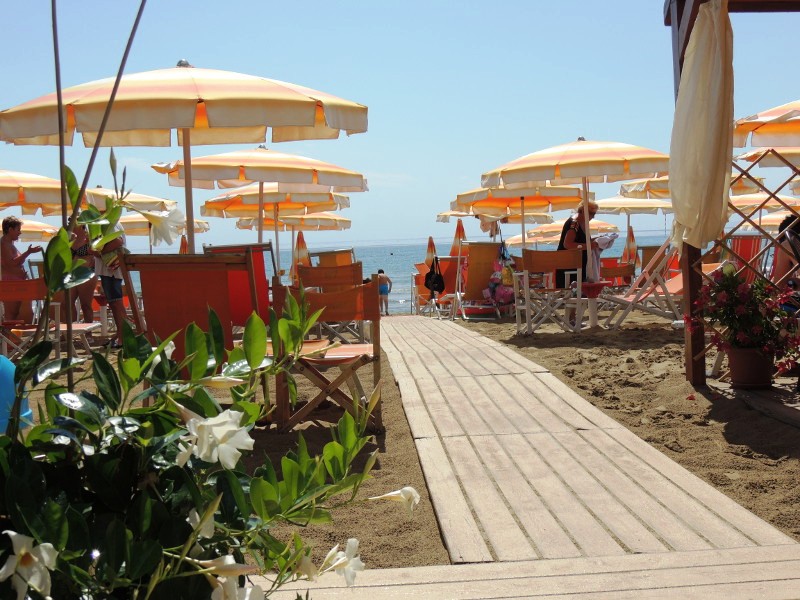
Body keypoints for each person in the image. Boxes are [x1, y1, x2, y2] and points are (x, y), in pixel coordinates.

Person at [0, 216, 42, 322]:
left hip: (16, 281)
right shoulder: (4, 244)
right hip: (10, 282)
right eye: (18, 230)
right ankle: (8, 333)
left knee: (15, 313)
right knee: (11, 313)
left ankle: (11, 333)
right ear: (10, 229)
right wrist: (28, 252)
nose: (20, 232)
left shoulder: (10, 243)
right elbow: (11, 263)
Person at [93, 223, 127, 348]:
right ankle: (120, 334)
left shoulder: (108, 222)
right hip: (108, 268)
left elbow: (118, 241)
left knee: (116, 303)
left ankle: (123, 337)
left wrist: (100, 251)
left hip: (111, 268)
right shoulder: (107, 222)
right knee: (114, 303)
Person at [556, 199, 600, 288]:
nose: (593, 217)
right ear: (583, 211)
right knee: (575, 293)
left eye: (594, 214)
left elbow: (581, 242)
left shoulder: (582, 224)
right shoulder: (574, 223)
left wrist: (597, 241)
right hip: (570, 268)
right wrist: (588, 246)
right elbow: (568, 244)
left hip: (577, 267)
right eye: (592, 213)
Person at [71, 224, 96, 323]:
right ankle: (71, 329)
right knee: (67, 304)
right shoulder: (69, 238)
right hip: (71, 273)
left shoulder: (89, 237)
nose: (70, 223)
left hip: (86, 273)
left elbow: (97, 253)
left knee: (85, 305)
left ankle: (88, 330)